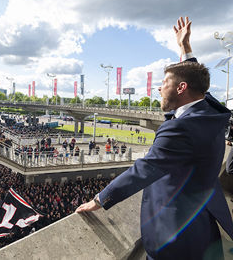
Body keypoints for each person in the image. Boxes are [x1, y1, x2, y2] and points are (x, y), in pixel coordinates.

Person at [76, 17, 233, 260]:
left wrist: (100, 199)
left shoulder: (179, 129)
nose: (158, 89)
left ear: (181, 88)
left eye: (163, 83)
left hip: (175, 233)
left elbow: (143, 169)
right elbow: (197, 85)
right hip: (203, 221)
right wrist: (185, 49)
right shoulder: (210, 112)